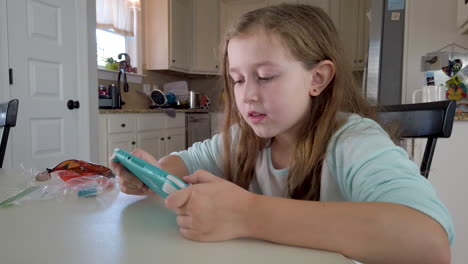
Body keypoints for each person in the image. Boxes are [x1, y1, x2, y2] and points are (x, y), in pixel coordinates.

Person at [110, 4, 453, 264]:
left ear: (317, 79)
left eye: (266, 76)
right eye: (238, 79)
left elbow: (429, 240)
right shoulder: (243, 139)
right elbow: (183, 161)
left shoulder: (353, 141)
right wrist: (150, 175)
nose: (246, 95)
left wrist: (246, 214)